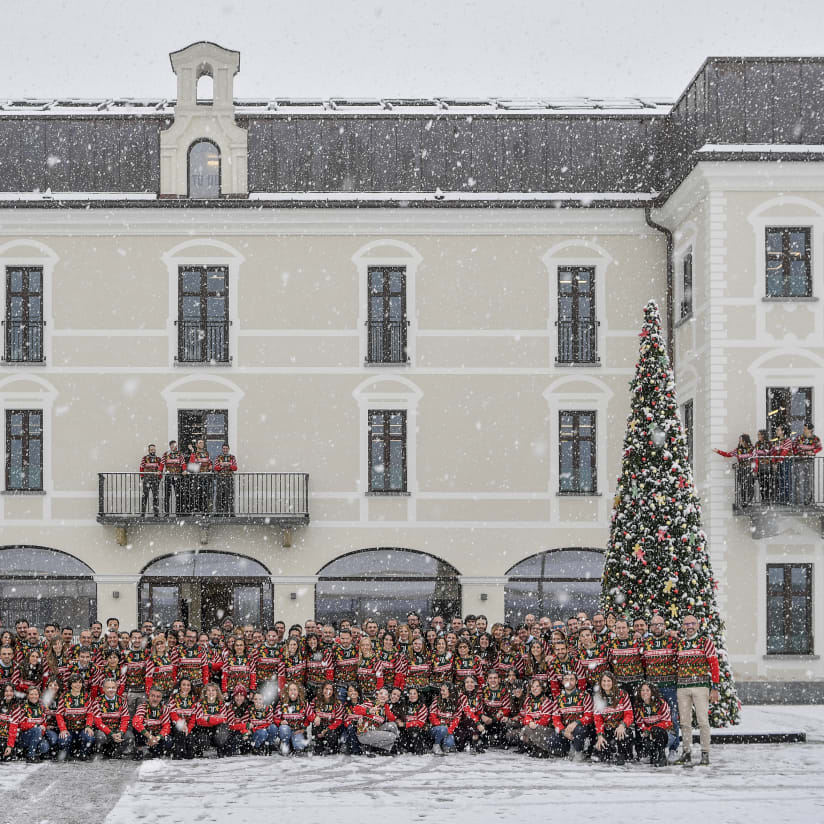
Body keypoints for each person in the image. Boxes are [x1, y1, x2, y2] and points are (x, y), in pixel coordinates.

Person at [675, 614, 720, 766]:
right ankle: (686, 752)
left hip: (700, 686)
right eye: (687, 624)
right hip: (682, 687)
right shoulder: (679, 643)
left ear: (698, 625)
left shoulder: (705, 642)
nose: (690, 626)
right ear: (683, 626)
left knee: (702, 720)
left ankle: (705, 753)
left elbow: (714, 664)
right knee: (685, 722)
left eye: (693, 623)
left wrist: (714, 687)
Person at [642, 614, 680, 753]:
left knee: (673, 718)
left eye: (660, 624)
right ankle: (655, 747)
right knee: (652, 717)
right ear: (650, 627)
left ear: (664, 625)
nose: (657, 627)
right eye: (653, 624)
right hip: (653, 689)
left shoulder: (673, 641)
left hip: (670, 686)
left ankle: (673, 748)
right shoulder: (646, 642)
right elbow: (643, 662)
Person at [549, 672, 593, 762]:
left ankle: (579, 752)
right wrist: (563, 731)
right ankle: (567, 749)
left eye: (572, 679)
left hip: (581, 729)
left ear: (576, 681)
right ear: (562, 682)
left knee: (579, 730)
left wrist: (576, 723)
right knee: (552, 740)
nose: (569, 681)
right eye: (566, 679)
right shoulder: (558, 698)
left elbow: (589, 716)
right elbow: (555, 719)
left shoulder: (584, 696)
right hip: (566, 731)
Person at [592, 671, 634, 765]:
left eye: (608, 681)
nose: (606, 683)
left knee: (622, 735)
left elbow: (629, 715)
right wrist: (600, 735)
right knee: (601, 754)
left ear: (613, 682)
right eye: (604, 681)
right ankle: (608, 750)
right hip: (607, 728)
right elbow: (598, 719)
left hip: (621, 728)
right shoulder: (598, 697)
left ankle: (622, 754)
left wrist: (622, 725)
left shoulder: (622, 694)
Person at [92, 677, 133, 758]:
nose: (111, 690)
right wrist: (111, 733)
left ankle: (121, 753)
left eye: (113, 687)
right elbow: (98, 722)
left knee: (129, 736)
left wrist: (120, 732)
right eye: (108, 688)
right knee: (100, 737)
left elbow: (125, 719)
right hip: (104, 730)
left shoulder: (121, 700)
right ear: (103, 689)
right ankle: (99, 753)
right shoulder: (97, 701)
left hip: (117, 729)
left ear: (116, 688)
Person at [635, 681, 674, 767]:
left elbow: (667, 722)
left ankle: (662, 755)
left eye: (647, 690)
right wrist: (646, 731)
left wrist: (650, 730)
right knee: (646, 741)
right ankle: (653, 754)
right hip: (650, 734)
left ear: (652, 692)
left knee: (656, 730)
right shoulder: (639, 706)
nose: (645, 692)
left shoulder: (661, 703)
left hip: (667, 734)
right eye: (642, 690)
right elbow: (639, 722)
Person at [56, 675, 95, 760]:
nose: (78, 685)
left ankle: (83, 753)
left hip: (82, 729)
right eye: (75, 682)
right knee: (63, 740)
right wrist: (63, 729)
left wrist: (88, 726)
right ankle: (67, 753)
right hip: (68, 728)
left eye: (80, 682)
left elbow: (90, 713)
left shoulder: (86, 696)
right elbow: (59, 714)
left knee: (89, 737)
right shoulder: (64, 696)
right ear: (70, 684)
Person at [189, 682, 229, 757]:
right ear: (205, 692)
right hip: (203, 729)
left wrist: (208, 719)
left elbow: (224, 720)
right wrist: (216, 719)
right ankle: (200, 749)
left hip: (217, 729)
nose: (211, 692)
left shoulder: (221, 704)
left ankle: (220, 748)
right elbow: (199, 720)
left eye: (213, 690)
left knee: (222, 731)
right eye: (209, 690)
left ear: (217, 692)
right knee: (203, 740)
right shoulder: (200, 703)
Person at [714, 434, 754, 507]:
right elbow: (728, 454)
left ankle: (749, 500)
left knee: (750, 486)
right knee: (742, 486)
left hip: (749, 469)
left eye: (741, 440)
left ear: (745, 440)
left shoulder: (752, 449)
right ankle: (744, 501)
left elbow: (754, 456)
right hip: (741, 470)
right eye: (739, 440)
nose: (739, 441)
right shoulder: (738, 450)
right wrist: (718, 451)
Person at [517, 678, 554, 757]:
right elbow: (526, 717)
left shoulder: (547, 701)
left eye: (537, 686)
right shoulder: (529, 701)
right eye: (533, 687)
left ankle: (543, 749)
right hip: (533, 727)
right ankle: (535, 748)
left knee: (526, 729)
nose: (535, 689)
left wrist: (534, 723)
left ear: (542, 688)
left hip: (547, 730)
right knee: (523, 731)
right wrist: (530, 722)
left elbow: (545, 720)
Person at [132, 686, 171, 760]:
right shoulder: (142, 707)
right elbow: (136, 723)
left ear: (161, 698)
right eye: (153, 696)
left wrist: (157, 737)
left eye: (158, 697)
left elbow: (167, 726)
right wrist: (149, 736)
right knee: (136, 729)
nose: (155, 699)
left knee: (168, 740)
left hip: (156, 737)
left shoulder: (164, 709)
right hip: (145, 736)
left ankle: (154, 750)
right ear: (148, 696)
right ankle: (139, 750)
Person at [18, 685, 54, 762]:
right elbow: (21, 725)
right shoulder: (23, 707)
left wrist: (40, 731)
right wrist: (35, 726)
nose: (33, 696)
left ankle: (33, 750)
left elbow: (44, 724)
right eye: (31, 694)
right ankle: (31, 755)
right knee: (37, 729)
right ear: (27, 696)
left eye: (36, 694)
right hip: (25, 737)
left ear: (38, 695)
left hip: (38, 736)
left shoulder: (41, 707)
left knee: (44, 747)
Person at [277, 681, 313, 755]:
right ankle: (285, 743)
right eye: (290, 690)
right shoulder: (282, 703)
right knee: (283, 728)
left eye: (295, 689)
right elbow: (275, 717)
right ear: (287, 692)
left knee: (299, 747)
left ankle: (295, 743)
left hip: (298, 730)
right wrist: (280, 722)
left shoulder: (304, 703)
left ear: (298, 691)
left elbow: (310, 716)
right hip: (287, 730)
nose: (293, 692)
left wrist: (303, 728)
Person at [308, 681, 344, 755]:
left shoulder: (337, 704)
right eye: (326, 689)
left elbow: (338, 721)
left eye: (330, 689)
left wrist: (327, 729)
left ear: (333, 691)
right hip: (319, 726)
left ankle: (333, 747)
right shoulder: (315, 701)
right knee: (316, 725)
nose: (328, 691)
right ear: (322, 689)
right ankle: (319, 744)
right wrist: (315, 717)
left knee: (331, 734)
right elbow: (309, 713)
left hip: (331, 728)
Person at [479, 669, 511, 748]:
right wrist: (482, 716)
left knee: (504, 723)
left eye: (495, 678)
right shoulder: (483, 691)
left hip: (498, 720)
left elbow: (506, 709)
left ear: (499, 679)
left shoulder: (504, 691)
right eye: (490, 678)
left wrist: (494, 719)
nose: (493, 680)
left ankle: (501, 741)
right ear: (487, 679)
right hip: (486, 719)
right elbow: (478, 707)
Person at [168, 677, 197, 760]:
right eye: (184, 685)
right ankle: (177, 755)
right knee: (180, 736)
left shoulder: (193, 699)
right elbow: (173, 714)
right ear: (180, 686)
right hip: (176, 725)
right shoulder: (173, 698)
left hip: (188, 727)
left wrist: (189, 728)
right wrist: (181, 725)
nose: (186, 687)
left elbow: (193, 717)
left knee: (190, 740)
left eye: (188, 685)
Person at [793, 423, 822, 505]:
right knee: (799, 481)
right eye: (804, 428)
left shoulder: (815, 439)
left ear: (810, 430)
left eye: (805, 429)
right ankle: (799, 501)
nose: (804, 430)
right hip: (799, 461)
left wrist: (812, 452)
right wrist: (803, 451)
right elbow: (794, 447)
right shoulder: (799, 438)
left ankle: (808, 501)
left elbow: (819, 447)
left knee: (809, 481)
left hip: (809, 462)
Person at [397, 685, 430, 754]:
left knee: (414, 730)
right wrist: (398, 720)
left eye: (414, 693)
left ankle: (420, 749)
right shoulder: (404, 705)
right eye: (410, 694)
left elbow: (420, 723)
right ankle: (404, 747)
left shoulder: (422, 706)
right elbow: (400, 716)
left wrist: (405, 724)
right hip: (406, 729)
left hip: (418, 730)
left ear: (418, 695)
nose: (412, 696)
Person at [224, 684, 252, 756]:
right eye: (237, 695)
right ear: (233, 697)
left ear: (245, 697)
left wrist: (245, 732)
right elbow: (231, 726)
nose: (239, 698)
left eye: (241, 695)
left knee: (247, 744)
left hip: (242, 732)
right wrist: (246, 725)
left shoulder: (247, 708)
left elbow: (246, 724)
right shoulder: (230, 707)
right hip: (231, 732)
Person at [187, 439, 213, 514]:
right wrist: (192, 452)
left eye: (202, 443)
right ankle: (197, 510)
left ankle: (205, 511)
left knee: (206, 494)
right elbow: (191, 464)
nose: (201, 444)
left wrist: (210, 465)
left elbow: (209, 462)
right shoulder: (194, 453)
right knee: (197, 494)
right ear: (197, 445)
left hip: (206, 476)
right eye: (200, 443)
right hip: (197, 477)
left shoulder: (206, 453)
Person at [161, 439, 186, 515]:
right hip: (168, 477)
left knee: (178, 495)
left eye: (175, 445)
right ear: (170, 446)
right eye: (173, 445)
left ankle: (178, 512)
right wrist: (160, 470)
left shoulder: (180, 454)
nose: (174, 447)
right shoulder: (166, 454)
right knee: (167, 496)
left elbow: (183, 463)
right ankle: (166, 512)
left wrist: (184, 470)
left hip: (177, 477)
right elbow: (162, 464)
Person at [139, 443, 163, 518]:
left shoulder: (158, 459)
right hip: (147, 479)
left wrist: (159, 478)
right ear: (149, 450)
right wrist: (142, 477)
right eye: (151, 449)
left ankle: (156, 513)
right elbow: (141, 467)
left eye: (154, 449)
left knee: (155, 497)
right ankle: (143, 513)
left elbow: (160, 468)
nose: (153, 450)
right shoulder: (145, 458)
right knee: (144, 496)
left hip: (155, 480)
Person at [772, 424, 795, 505]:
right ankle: (782, 499)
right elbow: (773, 452)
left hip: (786, 462)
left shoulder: (787, 440)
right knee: (780, 480)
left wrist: (778, 461)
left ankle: (787, 499)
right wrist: (774, 462)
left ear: (783, 431)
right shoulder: (777, 441)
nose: (776, 431)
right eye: (777, 430)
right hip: (779, 462)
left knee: (786, 480)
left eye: (778, 430)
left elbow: (784, 452)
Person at [213, 444, 238, 516]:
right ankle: (218, 513)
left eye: (226, 448)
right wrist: (223, 465)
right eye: (223, 448)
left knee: (229, 496)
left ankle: (230, 513)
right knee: (219, 496)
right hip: (220, 478)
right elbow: (216, 467)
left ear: (229, 449)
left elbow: (235, 468)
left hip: (229, 478)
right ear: (222, 449)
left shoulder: (232, 457)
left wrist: (228, 465)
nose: (225, 450)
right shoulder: (218, 457)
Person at [753, 429, 774, 503]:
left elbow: (772, 455)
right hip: (760, 468)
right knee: (761, 484)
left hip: (767, 467)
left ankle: (768, 499)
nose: (758, 436)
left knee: (768, 484)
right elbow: (755, 454)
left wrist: (767, 460)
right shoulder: (757, 444)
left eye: (759, 434)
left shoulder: (769, 444)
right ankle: (763, 499)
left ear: (763, 435)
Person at [0, 683, 19, 761]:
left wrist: (10, 746)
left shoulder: (16, 707)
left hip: (8, 738)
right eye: (6, 691)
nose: (8, 693)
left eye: (11, 691)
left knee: (5, 755)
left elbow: (13, 727)